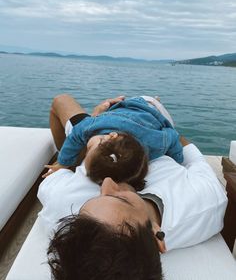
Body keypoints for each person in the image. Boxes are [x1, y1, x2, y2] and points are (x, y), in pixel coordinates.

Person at [37, 96, 228, 280]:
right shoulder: (204, 200)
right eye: (123, 198)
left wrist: (95, 126)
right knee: (152, 103)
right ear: (157, 236)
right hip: (154, 124)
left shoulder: (60, 208)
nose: (107, 182)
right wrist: (155, 126)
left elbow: (58, 168)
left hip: (93, 139)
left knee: (60, 101)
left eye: (90, 200)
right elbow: (183, 146)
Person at [43, 95, 183, 190]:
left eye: (89, 149)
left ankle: (155, 100)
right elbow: (172, 136)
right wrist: (179, 159)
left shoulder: (91, 127)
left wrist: (63, 162)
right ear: (112, 136)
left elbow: (172, 136)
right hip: (137, 109)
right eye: (90, 147)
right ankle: (154, 101)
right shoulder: (155, 142)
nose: (87, 145)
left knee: (60, 100)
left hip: (141, 111)